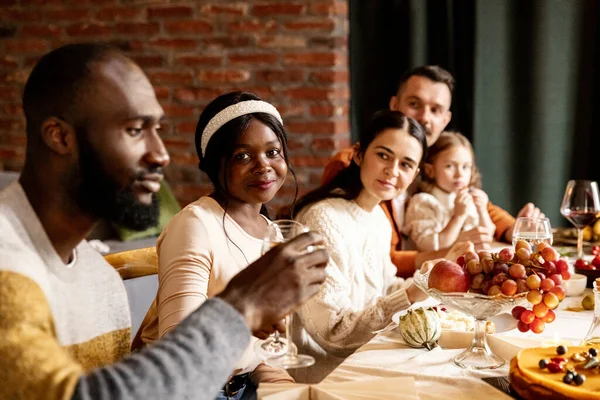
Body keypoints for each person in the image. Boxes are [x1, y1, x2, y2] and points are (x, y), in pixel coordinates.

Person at [0, 43, 329, 400]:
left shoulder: (99, 277)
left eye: (157, 128)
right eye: (135, 130)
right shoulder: (8, 267)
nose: (161, 154)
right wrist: (242, 306)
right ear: (61, 137)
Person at [290, 110, 473, 383]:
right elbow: (331, 333)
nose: (393, 171)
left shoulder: (377, 218)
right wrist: (413, 292)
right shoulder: (322, 218)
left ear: (415, 175)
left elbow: (386, 289)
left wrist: (433, 277)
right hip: (328, 375)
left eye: (406, 164)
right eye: (384, 155)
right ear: (359, 154)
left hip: (370, 358)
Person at [135, 91, 297, 398]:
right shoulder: (195, 225)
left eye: (273, 152)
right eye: (242, 156)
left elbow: (255, 354)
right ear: (214, 165)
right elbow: (178, 349)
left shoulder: (271, 232)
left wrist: (280, 384)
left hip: (243, 386)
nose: (263, 166)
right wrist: (244, 317)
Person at [322, 65, 542, 277]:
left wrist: (514, 229)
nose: (425, 117)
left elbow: (478, 203)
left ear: (445, 120)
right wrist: (452, 250)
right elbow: (378, 261)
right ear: (394, 105)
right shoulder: (353, 165)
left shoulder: (436, 160)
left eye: (435, 110)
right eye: (414, 104)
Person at [403, 132, 496, 251]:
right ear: (430, 170)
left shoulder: (468, 200)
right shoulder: (423, 203)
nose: (459, 174)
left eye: (465, 167)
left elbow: (487, 237)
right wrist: (458, 217)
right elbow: (430, 248)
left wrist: (482, 211)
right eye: (450, 166)